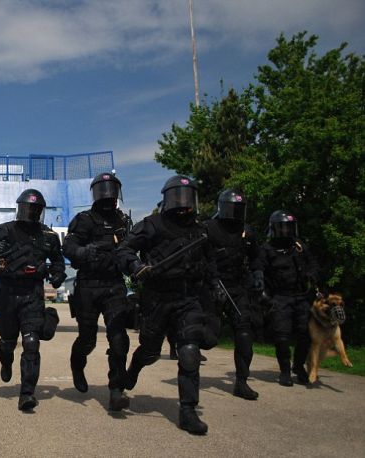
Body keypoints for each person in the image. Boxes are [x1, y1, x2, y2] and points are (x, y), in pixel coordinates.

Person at [116, 175, 223, 435]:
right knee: (150, 352)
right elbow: (124, 250)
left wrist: (215, 287)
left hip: (189, 299)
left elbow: (209, 264)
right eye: (178, 197)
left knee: (189, 352)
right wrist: (136, 266)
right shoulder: (151, 225)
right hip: (157, 298)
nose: (183, 204)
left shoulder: (200, 231)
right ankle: (133, 370)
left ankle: (188, 411)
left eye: (188, 198)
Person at [0, 189, 66, 411]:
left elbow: (58, 262)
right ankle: (5, 362)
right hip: (8, 294)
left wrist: (57, 274)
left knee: (31, 343)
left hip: (33, 294)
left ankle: (27, 393)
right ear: (20, 208)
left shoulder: (48, 236)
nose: (33, 212)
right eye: (29, 208)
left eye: (37, 209)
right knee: (8, 342)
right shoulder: (5, 230)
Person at [63, 172, 132, 411]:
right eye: (104, 190)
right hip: (88, 287)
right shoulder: (84, 219)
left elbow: (132, 248)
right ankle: (77, 363)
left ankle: (116, 391)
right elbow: (69, 246)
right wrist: (83, 252)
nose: (108, 195)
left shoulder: (123, 221)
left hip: (114, 285)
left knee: (119, 338)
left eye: (112, 190)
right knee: (88, 339)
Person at [202, 190, 261, 399]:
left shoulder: (248, 232)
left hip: (238, 287)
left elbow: (256, 259)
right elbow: (198, 258)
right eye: (232, 208)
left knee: (244, 333)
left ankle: (241, 382)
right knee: (209, 339)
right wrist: (210, 281)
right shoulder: (208, 228)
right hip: (213, 286)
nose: (235, 213)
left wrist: (258, 275)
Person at [252, 210, 319, 386]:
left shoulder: (299, 246)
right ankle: (285, 370)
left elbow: (313, 263)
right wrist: (259, 278)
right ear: (274, 229)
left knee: (305, 335)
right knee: (282, 336)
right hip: (280, 297)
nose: (285, 232)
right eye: (281, 228)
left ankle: (298, 366)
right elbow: (258, 265)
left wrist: (311, 274)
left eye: (288, 228)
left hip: (301, 296)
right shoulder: (267, 249)